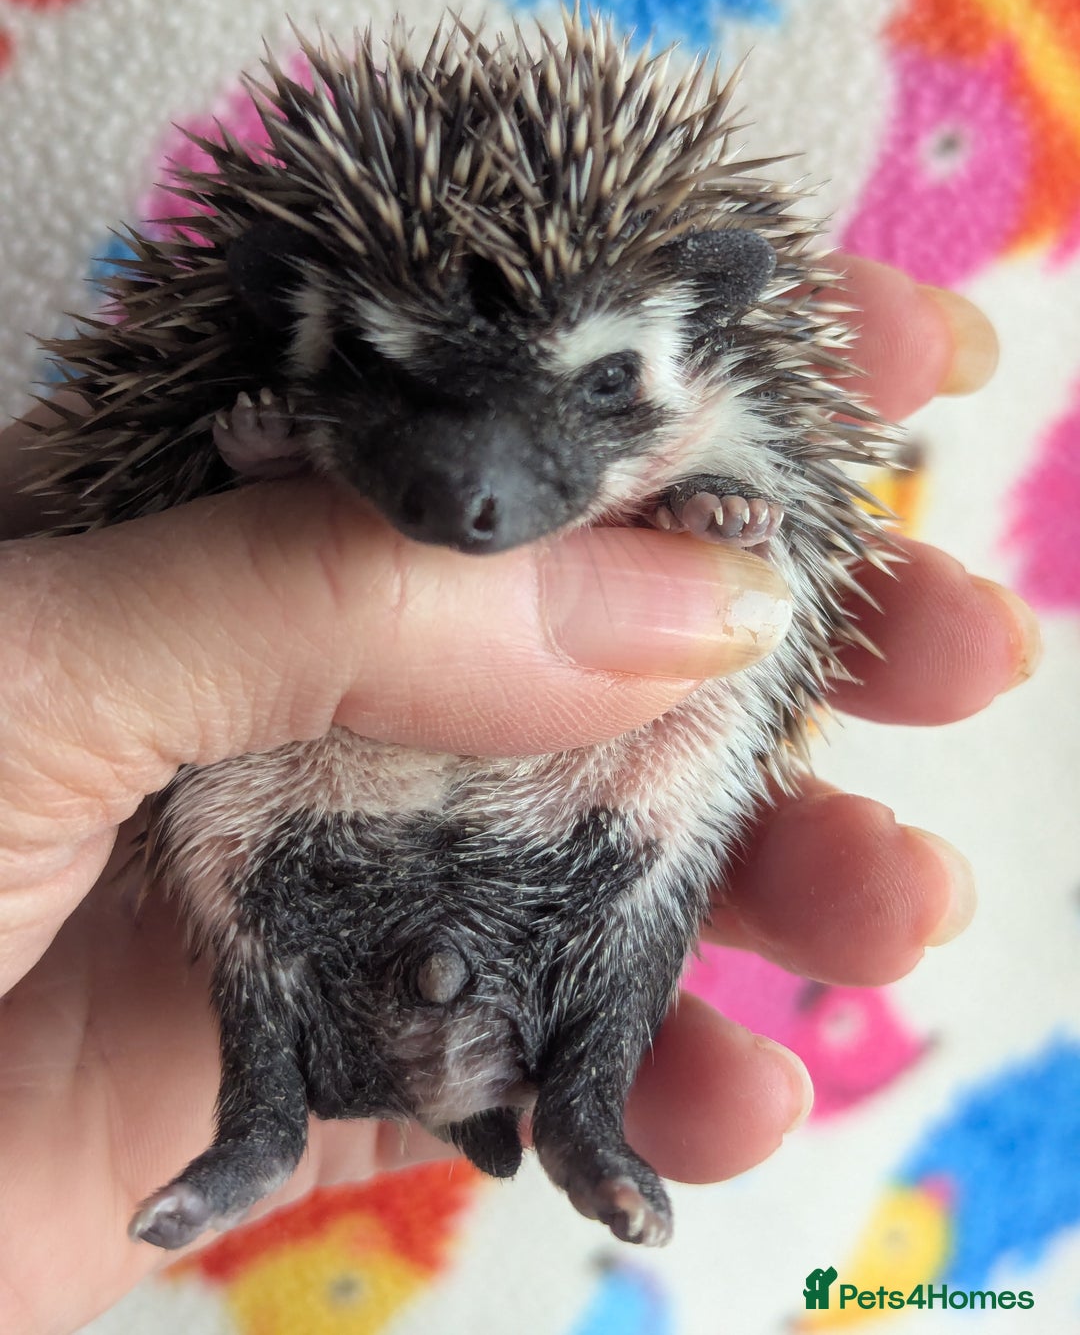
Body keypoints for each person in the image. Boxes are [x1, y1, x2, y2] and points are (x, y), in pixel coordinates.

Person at [0, 257, 1034, 1333]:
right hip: (321, 795)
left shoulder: (726, 437)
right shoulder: (260, 408)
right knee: (243, 900)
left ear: (705, 341)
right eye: (382, 377)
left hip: (572, 810)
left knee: (644, 902)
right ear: (297, 337)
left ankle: (582, 1123)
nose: (475, 494)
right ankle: (255, 1138)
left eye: (602, 389)